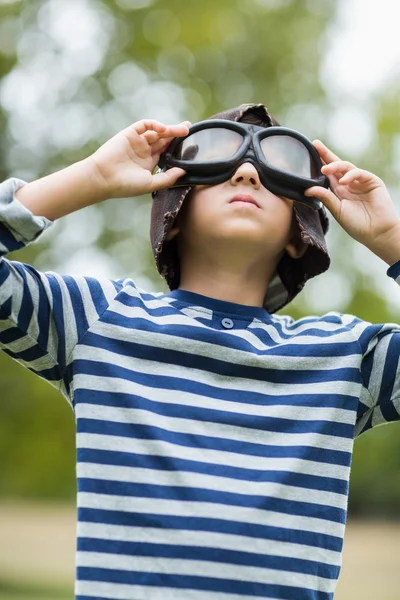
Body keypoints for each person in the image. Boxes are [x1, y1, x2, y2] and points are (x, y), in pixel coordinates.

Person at [1, 102, 399, 600]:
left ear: (300, 237)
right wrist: (94, 177)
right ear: (174, 209)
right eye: (220, 158)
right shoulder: (99, 322)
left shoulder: (344, 359)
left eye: (276, 168)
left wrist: (391, 238)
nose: (249, 171)